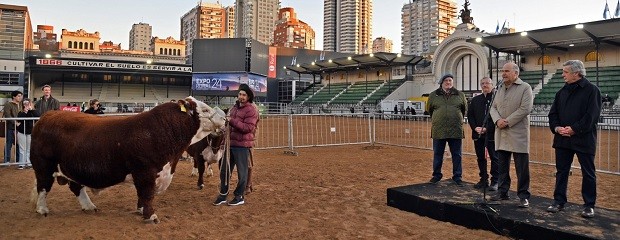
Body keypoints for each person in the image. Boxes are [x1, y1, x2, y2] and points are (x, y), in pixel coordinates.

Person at [546, 60, 602, 218]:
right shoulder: (561, 92)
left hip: (584, 140)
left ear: (576, 73)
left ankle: (589, 205)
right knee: (561, 172)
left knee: (588, 173)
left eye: (565, 72)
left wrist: (574, 129)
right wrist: (557, 128)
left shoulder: (592, 90)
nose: (562, 74)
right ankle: (558, 201)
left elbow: (592, 116)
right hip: (562, 139)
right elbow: (553, 114)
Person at [489, 62, 533, 208]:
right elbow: (493, 108)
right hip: (501, 132)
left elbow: (525, 109)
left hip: (517, 133)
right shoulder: (499, 88)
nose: (503, 73)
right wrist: (497, 120)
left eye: (507, 71)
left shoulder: (525, 87)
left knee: (522, 168)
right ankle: (502, 192)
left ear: (516, 73)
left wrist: (507, 121)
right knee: (502, 166)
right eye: (503, 71)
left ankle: (523, 196)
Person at [213, 84, 259, 206]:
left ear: (248, 97)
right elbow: (228, 127)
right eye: (240, 94)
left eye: (244, 95)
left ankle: (239, 196)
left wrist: (231, 121)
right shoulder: (234, 108)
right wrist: (223, 142)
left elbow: (248, 128)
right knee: (224, 171)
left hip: (242, 146)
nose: (241, 97)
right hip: (230, 144)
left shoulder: (251, 110)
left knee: (242, 173)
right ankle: (223, 194)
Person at [427, 74, 467, 186]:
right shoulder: (433, 95)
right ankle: (436, 175)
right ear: (441, 82)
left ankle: (457, 176)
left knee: (457, 154)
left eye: (450, 80)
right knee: (438, 154)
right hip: (439, 130)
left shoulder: (460, 95)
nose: (448, 82)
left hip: (455, 129)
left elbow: (464, 110)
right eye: (446, 80)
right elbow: (430, 110)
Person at [467, 77, 499, 191]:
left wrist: (487, 129)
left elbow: (497, 117)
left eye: (487, 83)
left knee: (495, 158)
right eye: (483, 83)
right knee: (480, 157)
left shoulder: (496, 99)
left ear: (492, 85)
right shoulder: (476, 100)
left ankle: (495, 181)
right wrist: (475, 127)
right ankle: (483, 179)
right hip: (478, 134)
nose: (485, 85)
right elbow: (470, 115)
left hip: (491, 134)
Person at [16, 98, 39, 169]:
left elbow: (37, 115)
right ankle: (22, 164)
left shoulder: (33, 112)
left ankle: (29, 163)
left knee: (29, 148)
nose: (26, 104)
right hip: (22, 132)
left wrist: (31, 110)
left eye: (28, 103)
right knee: (22, 148)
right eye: (25, 103)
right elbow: (20, 118)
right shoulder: (20, 112)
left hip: (30, 132)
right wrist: (25, 111)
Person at [3, 90, 23, 164]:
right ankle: (7, 160)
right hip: (10, 127)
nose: (20, 97)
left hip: (20, 128)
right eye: (18, 96)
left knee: (19, 144)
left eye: (21, 96)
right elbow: (7, 115)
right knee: (9, 144)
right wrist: (15, 123)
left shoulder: (21, 105)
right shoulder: (8, 104)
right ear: (14, 96)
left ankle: (18, 160)